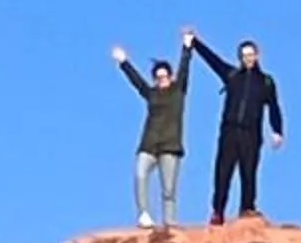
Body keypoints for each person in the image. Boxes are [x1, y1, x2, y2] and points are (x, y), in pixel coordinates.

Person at [188, 32, 284, 223]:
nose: (247, 58)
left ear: (257, 56)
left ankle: (247, 209)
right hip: (230, 131)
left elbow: (274, 107)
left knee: (249, 173)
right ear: (240, 58)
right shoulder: (232, 75)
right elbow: (213, 61)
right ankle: (218, 211)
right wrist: (195, 42)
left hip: (251, 133)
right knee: (223, 172)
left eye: (250, 55)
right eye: (243, 56)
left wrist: (277, 131)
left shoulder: (266, 82)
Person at [111, 30, 193, 228]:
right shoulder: (151, 93)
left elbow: (184, 68)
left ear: (171, 77)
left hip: (170, 146)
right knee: (139, 174)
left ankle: (170, 222)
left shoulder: (178, 90)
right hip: (148, 143)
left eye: (164, 76)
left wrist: (187, 46)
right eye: (158, 77)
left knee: (169, 189)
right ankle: (144, 215)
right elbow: (137, 81)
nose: (161, 80)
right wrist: (124, 62)